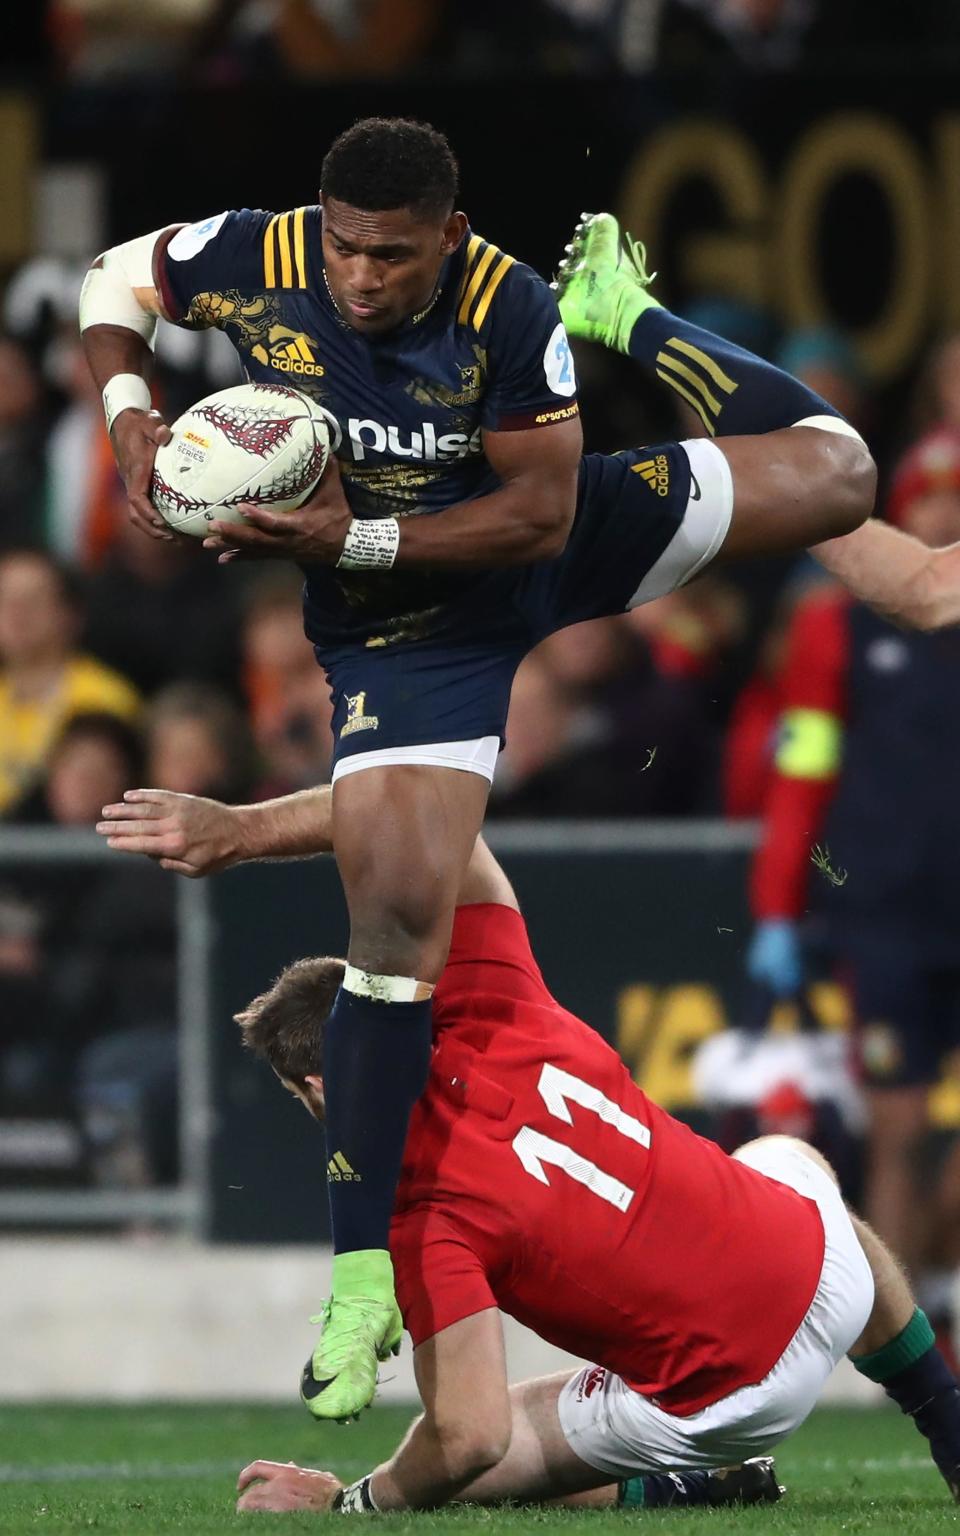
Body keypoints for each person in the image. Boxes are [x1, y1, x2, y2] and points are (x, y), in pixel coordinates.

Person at [82, 109, 960, 1419]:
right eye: (344, 250)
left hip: (520, 540)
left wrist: (350, 541)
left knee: (839, 476)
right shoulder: (257, 258)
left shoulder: (508, 308)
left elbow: (545, 514)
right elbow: (111, 280)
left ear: (453, 232)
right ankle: (359, 1277)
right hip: (411, 626)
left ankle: (634, 316)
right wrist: (130, 415)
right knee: (393, 923)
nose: (362, 277)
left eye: (391, 255)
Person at [96, 784, 960, 1514]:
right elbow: (409, 805)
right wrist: (242, 831)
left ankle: (686, 1485)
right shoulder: (492, 992)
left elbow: (472, 1440)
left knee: (503, 1425)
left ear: (317, 1090)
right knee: (791, 1167)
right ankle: (944, 1409)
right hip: (832, 1281)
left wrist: (354, 1501)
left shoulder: (415, 1210)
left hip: (729, 1401)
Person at [745, 426, 960, 1346]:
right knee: (898, 1136)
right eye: (930, 495)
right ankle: (896, 1349)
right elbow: (804, 772)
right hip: (884, 919)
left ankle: (934, 1297)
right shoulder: (835, 627)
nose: (943, 512)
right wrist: (775, 910)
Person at [0, 548, 141, 818]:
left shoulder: (107, 698)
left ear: (71, 614)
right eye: (5, 599)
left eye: (33, 600)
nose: (16, 613)